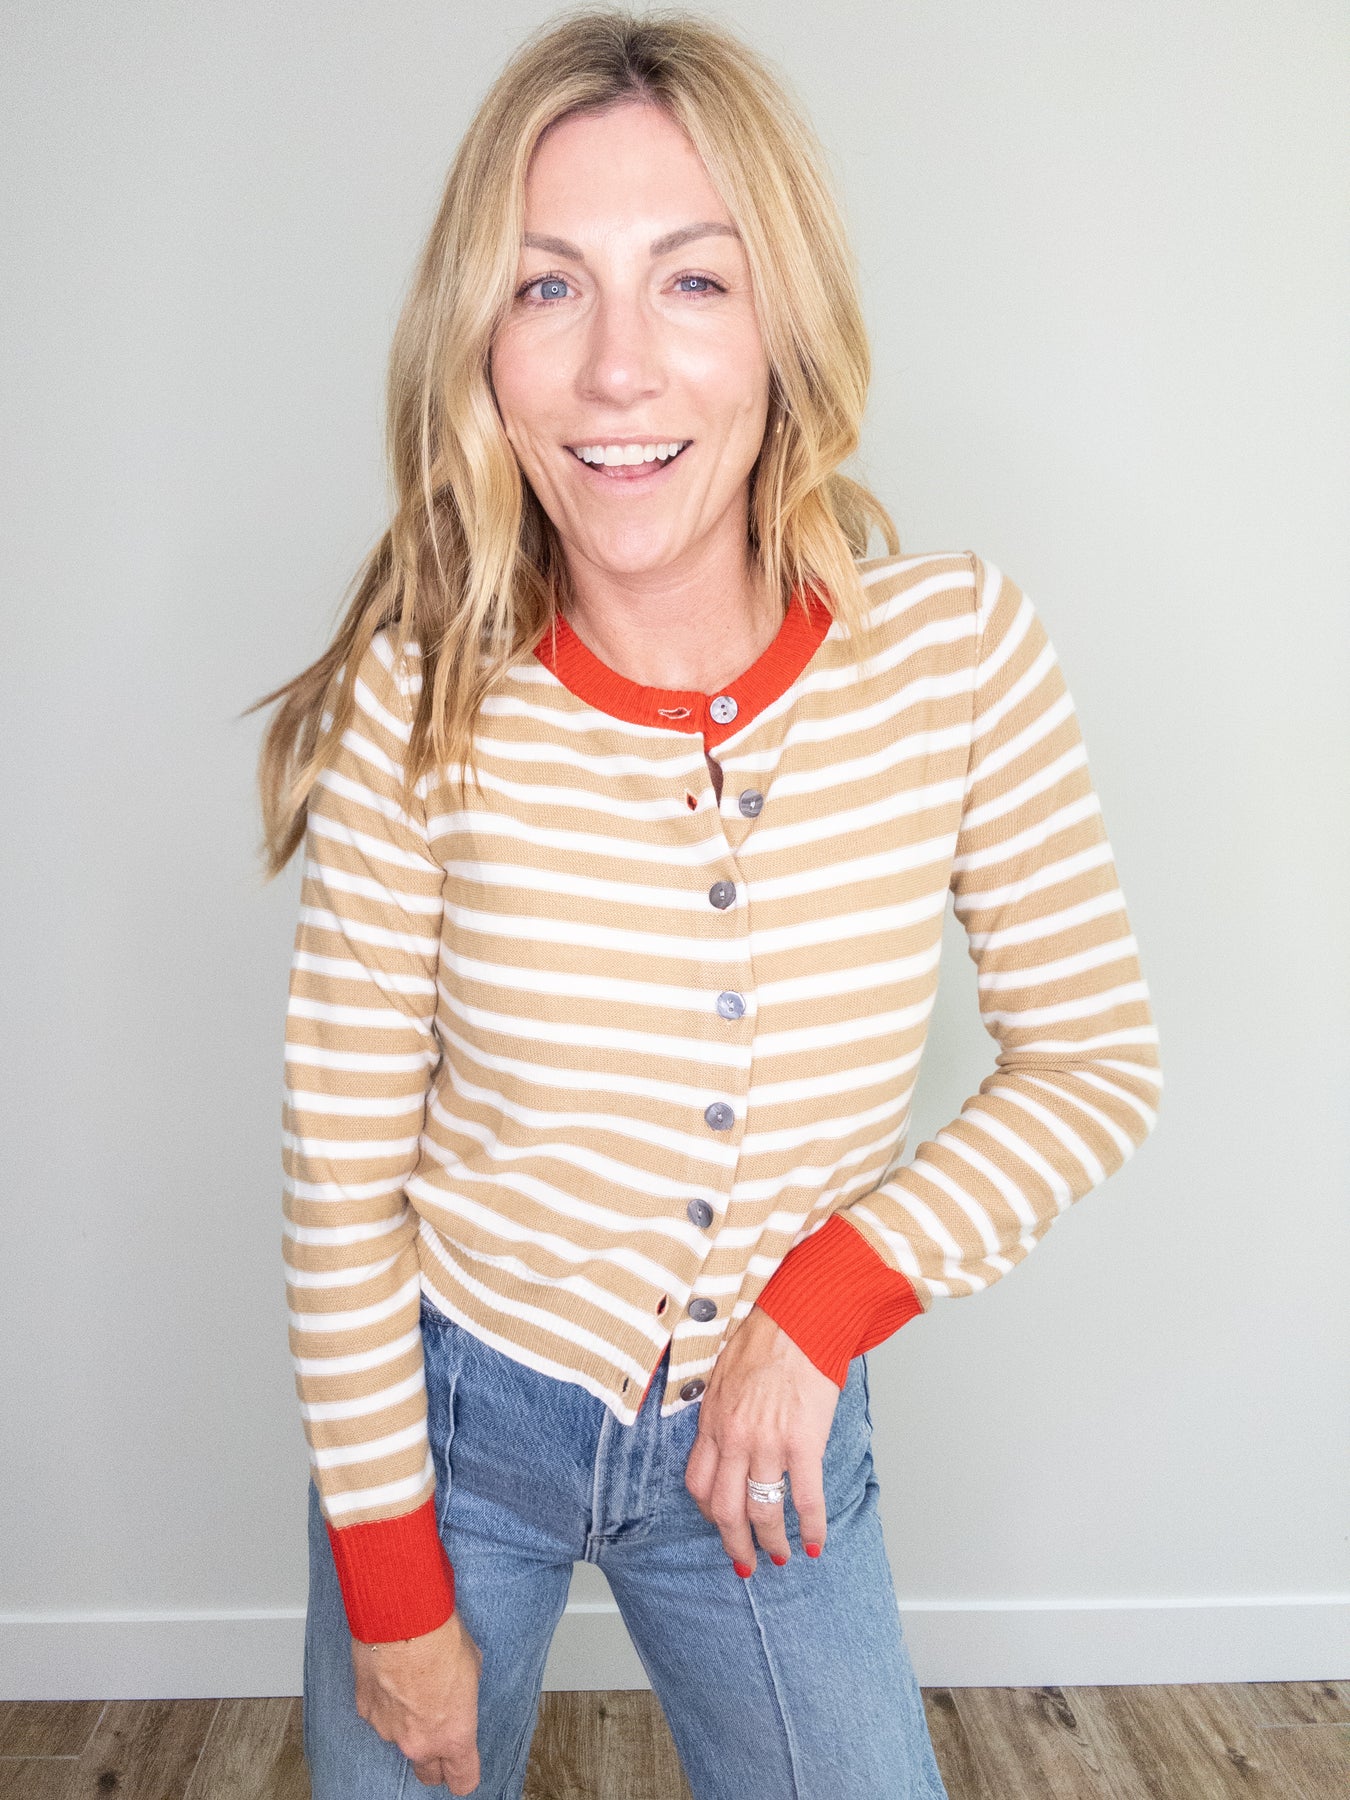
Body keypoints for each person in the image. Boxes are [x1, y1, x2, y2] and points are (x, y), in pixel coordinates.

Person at [248, 8, 1162, 1797]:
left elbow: (1093, 1063)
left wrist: (823, 1304)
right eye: (546, 287)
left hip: (770, 1438)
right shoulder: (421, 699)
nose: (614, 372)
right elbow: (342, 1183)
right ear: (479, 343)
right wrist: (393, 1593)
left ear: (780, 323)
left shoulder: (957, 655)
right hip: (451, 1442)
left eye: (689, 280)